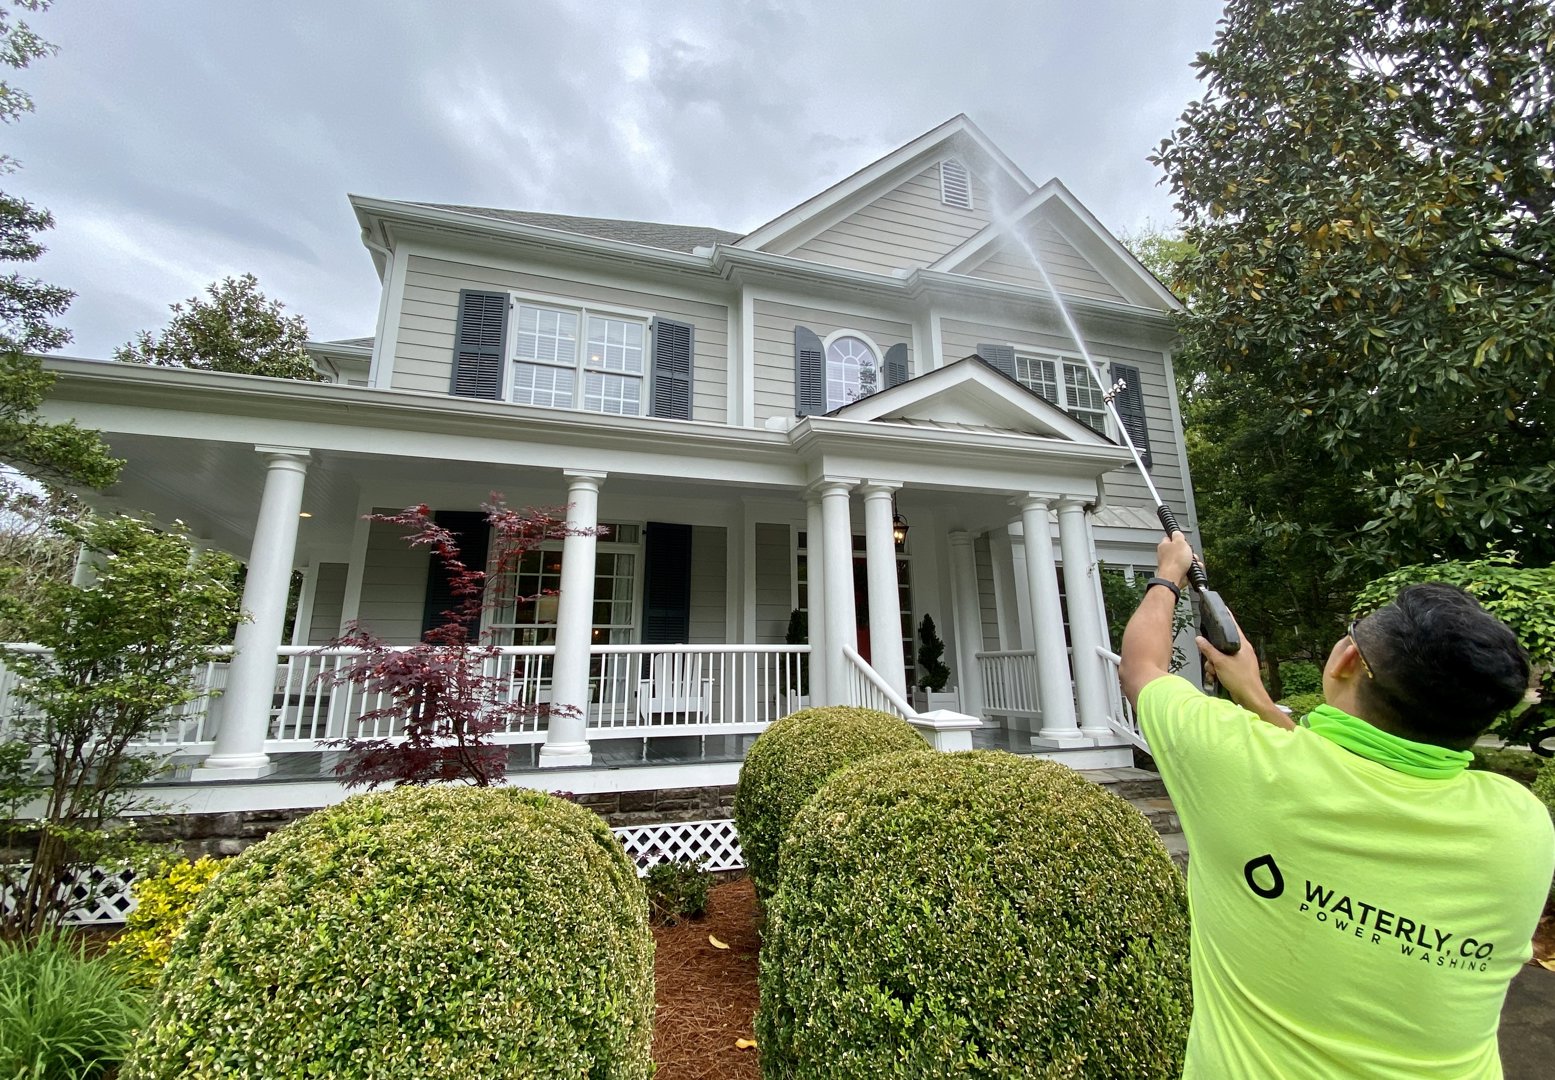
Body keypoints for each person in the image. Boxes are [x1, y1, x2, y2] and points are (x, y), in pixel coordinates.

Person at [1119, 532, 1554, 1080]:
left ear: (1347, 659)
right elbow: (1347, 773)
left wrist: (1167, 574)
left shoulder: (1236, 762)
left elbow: (1142, 669)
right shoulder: (1523, 825)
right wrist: (1256, 697)